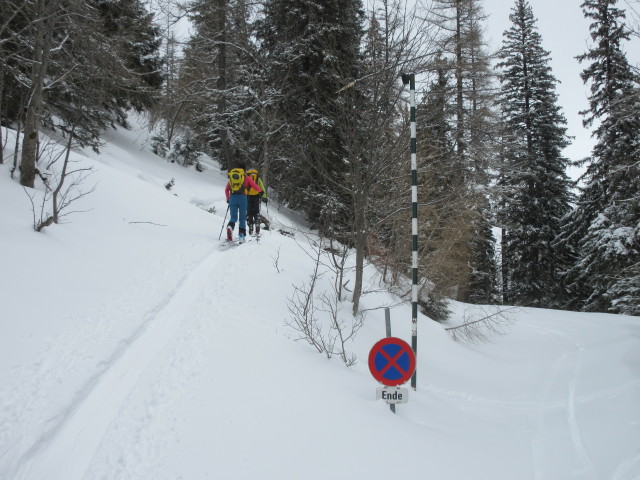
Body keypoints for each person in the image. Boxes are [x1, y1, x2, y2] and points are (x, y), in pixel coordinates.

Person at [245, 168, 268, 235]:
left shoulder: (247, 178)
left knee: (249, 212)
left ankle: (251, 226)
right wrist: (264, 197)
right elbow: (262, 188)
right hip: (256, 197)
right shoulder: (258, 179)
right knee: (256, 211)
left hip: (248, 197)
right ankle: (257, 224)